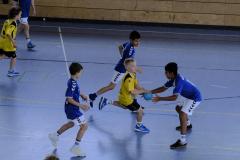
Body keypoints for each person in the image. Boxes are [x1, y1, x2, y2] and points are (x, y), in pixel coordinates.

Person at [150, 62, 202, 149]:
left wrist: (160, 99)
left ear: (171, 73)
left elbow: (174, 97)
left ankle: (182, 141)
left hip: (195, 98)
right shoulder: (174, 79)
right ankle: (188, 125)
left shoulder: (179, 82)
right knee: (178, 108)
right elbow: (163, 88)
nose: (165, 74)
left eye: (166, 72)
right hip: (188, 96)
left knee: (182, 113)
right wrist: (149, 91)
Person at [89, 31, 142, 107]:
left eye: (139, 41)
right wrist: (136, 68)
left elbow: (120, 47)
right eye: (136, 41)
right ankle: (93, 96)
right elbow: (127, 62)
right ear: (131, 40)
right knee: (111, 86)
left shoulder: (128, 44)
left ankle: (134, 102)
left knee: (133, 82)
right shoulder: (130, 49)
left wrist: (121, 56)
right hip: (121, 70)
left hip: (126, 69)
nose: (138, 43)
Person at [48, 63, 90, 157]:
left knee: (71, 123)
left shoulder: (73, 81)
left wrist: (81, 94)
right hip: (72, 108)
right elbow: (69, 98)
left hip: (71, 108)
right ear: (76, 73)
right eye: (81, 73)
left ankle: (55, 135)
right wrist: (81, 105)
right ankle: (76, 147)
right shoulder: (72, 83)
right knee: (84, 126)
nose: (81, 74)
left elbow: (75, 91)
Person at [99, 59, 150, 133]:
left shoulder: (133, 73)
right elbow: (132, 92)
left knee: (124, 106)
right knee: (140, 111)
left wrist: (143, 90)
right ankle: (139, 126)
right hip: (127, 99)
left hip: (123, 96)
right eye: (132, 66)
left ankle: (106, 101)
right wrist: (143, 91)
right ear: (126, 67)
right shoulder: (128, 78)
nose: (134, 67)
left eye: (135, 66)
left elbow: (136, 85)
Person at [0, 7, 22, 77]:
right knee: (13, 56)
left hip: (1, 40)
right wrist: (13, 42)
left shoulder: (7, 20)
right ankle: (11, 71)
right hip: (8, 42)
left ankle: (11, 70)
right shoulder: (13, 23)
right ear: (16, 15)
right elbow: (8, 33)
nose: (20, 16)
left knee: (2, 55)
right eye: (20, 14)